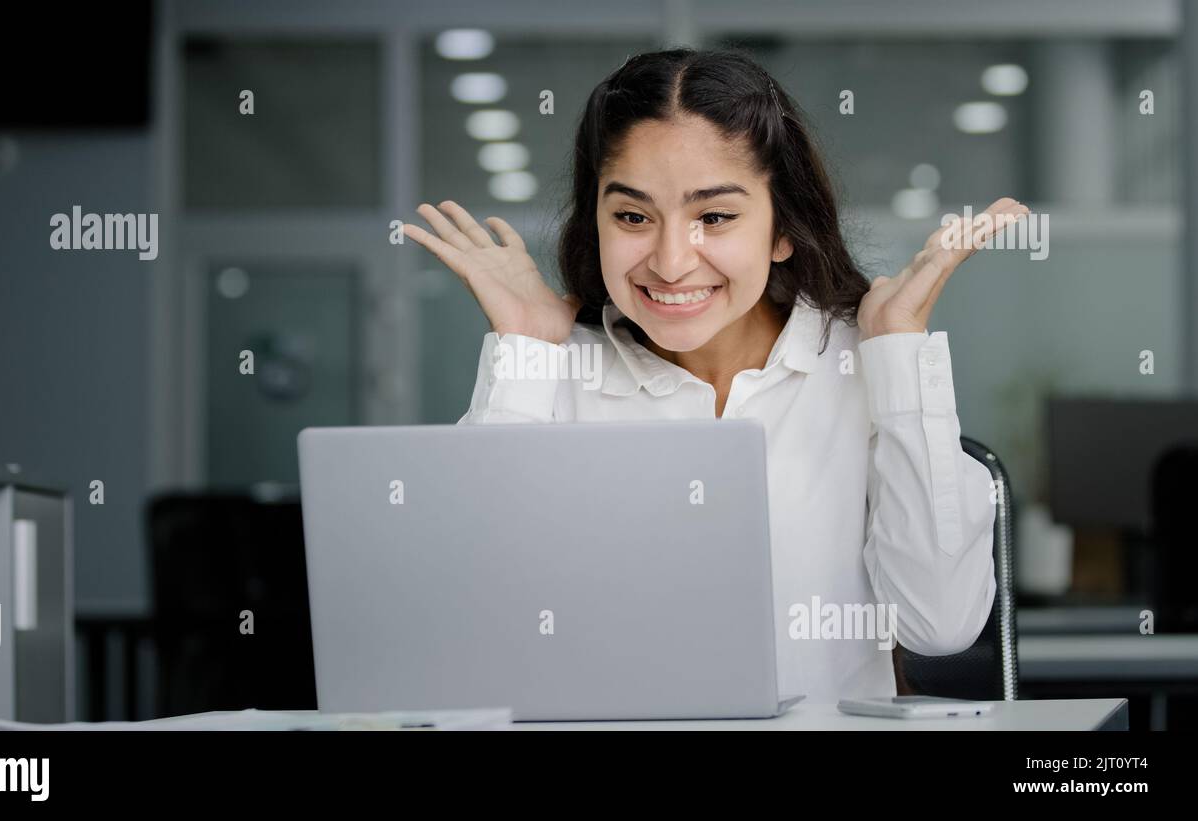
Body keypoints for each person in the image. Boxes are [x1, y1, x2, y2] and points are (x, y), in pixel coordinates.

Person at [402, 47, 1023, 702]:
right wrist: (524, 352)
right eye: (633, 216)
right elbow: (464, 631)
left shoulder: (859, 371)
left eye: (715, 217)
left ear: (782, 228)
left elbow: (941, 625)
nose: (671, 262)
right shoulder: (553, 376)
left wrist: (899, 352)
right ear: (597, 222)